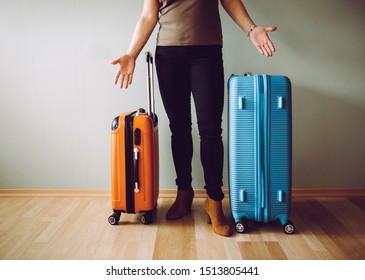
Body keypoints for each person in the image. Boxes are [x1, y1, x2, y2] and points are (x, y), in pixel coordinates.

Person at [112, 0, 277, 237]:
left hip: (206, 53)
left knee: (210, 131)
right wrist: (131, 53)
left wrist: (251, 29)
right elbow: (149, 15)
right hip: (168, 55)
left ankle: (214, 200)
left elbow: (229, 1)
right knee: (179, 128)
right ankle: (184, 192)